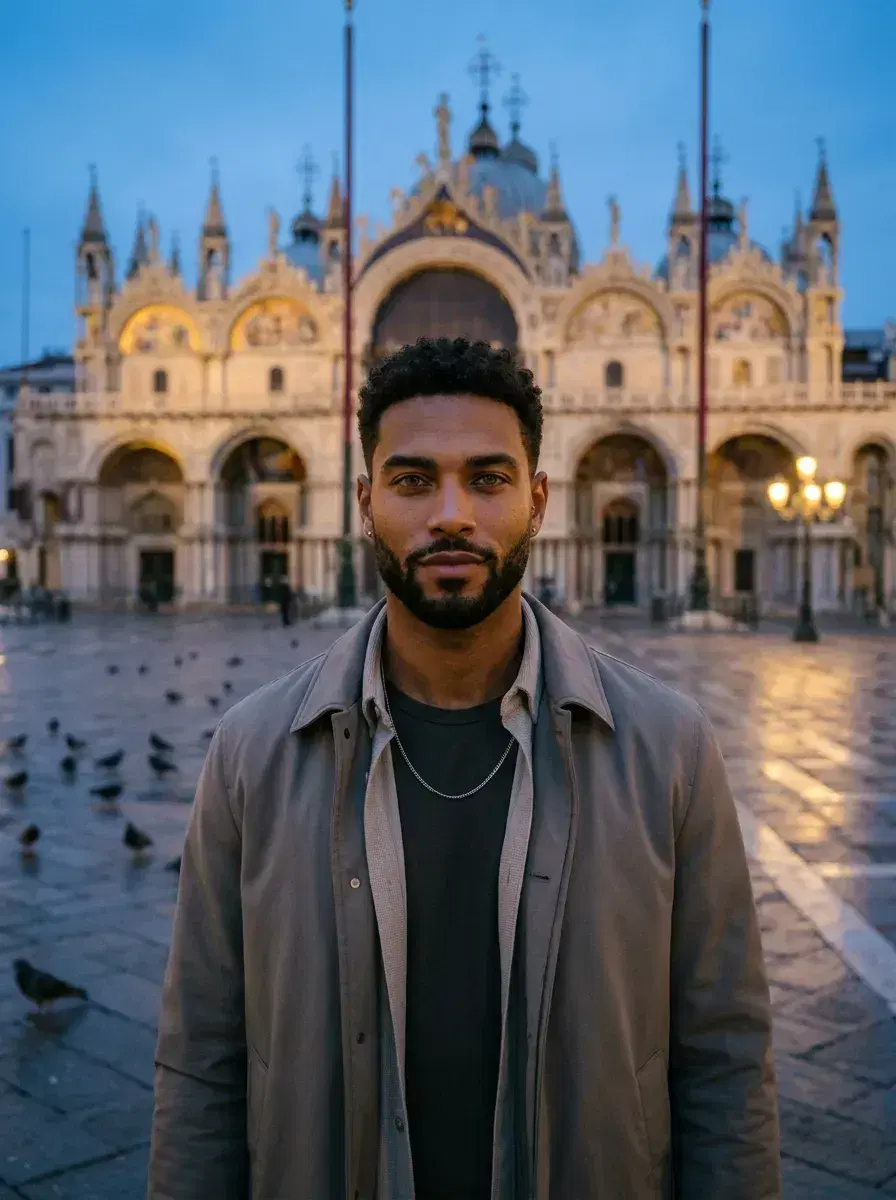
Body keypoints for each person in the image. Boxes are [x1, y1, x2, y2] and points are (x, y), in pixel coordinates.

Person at [149, 337, 780, 1199]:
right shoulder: (251, 755)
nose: (452, 513)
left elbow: (725, 1056)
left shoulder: (667, 749)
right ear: (364, 503)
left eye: (487, 479)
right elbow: (201, 1063)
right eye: (413, 482)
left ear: (539, 499)